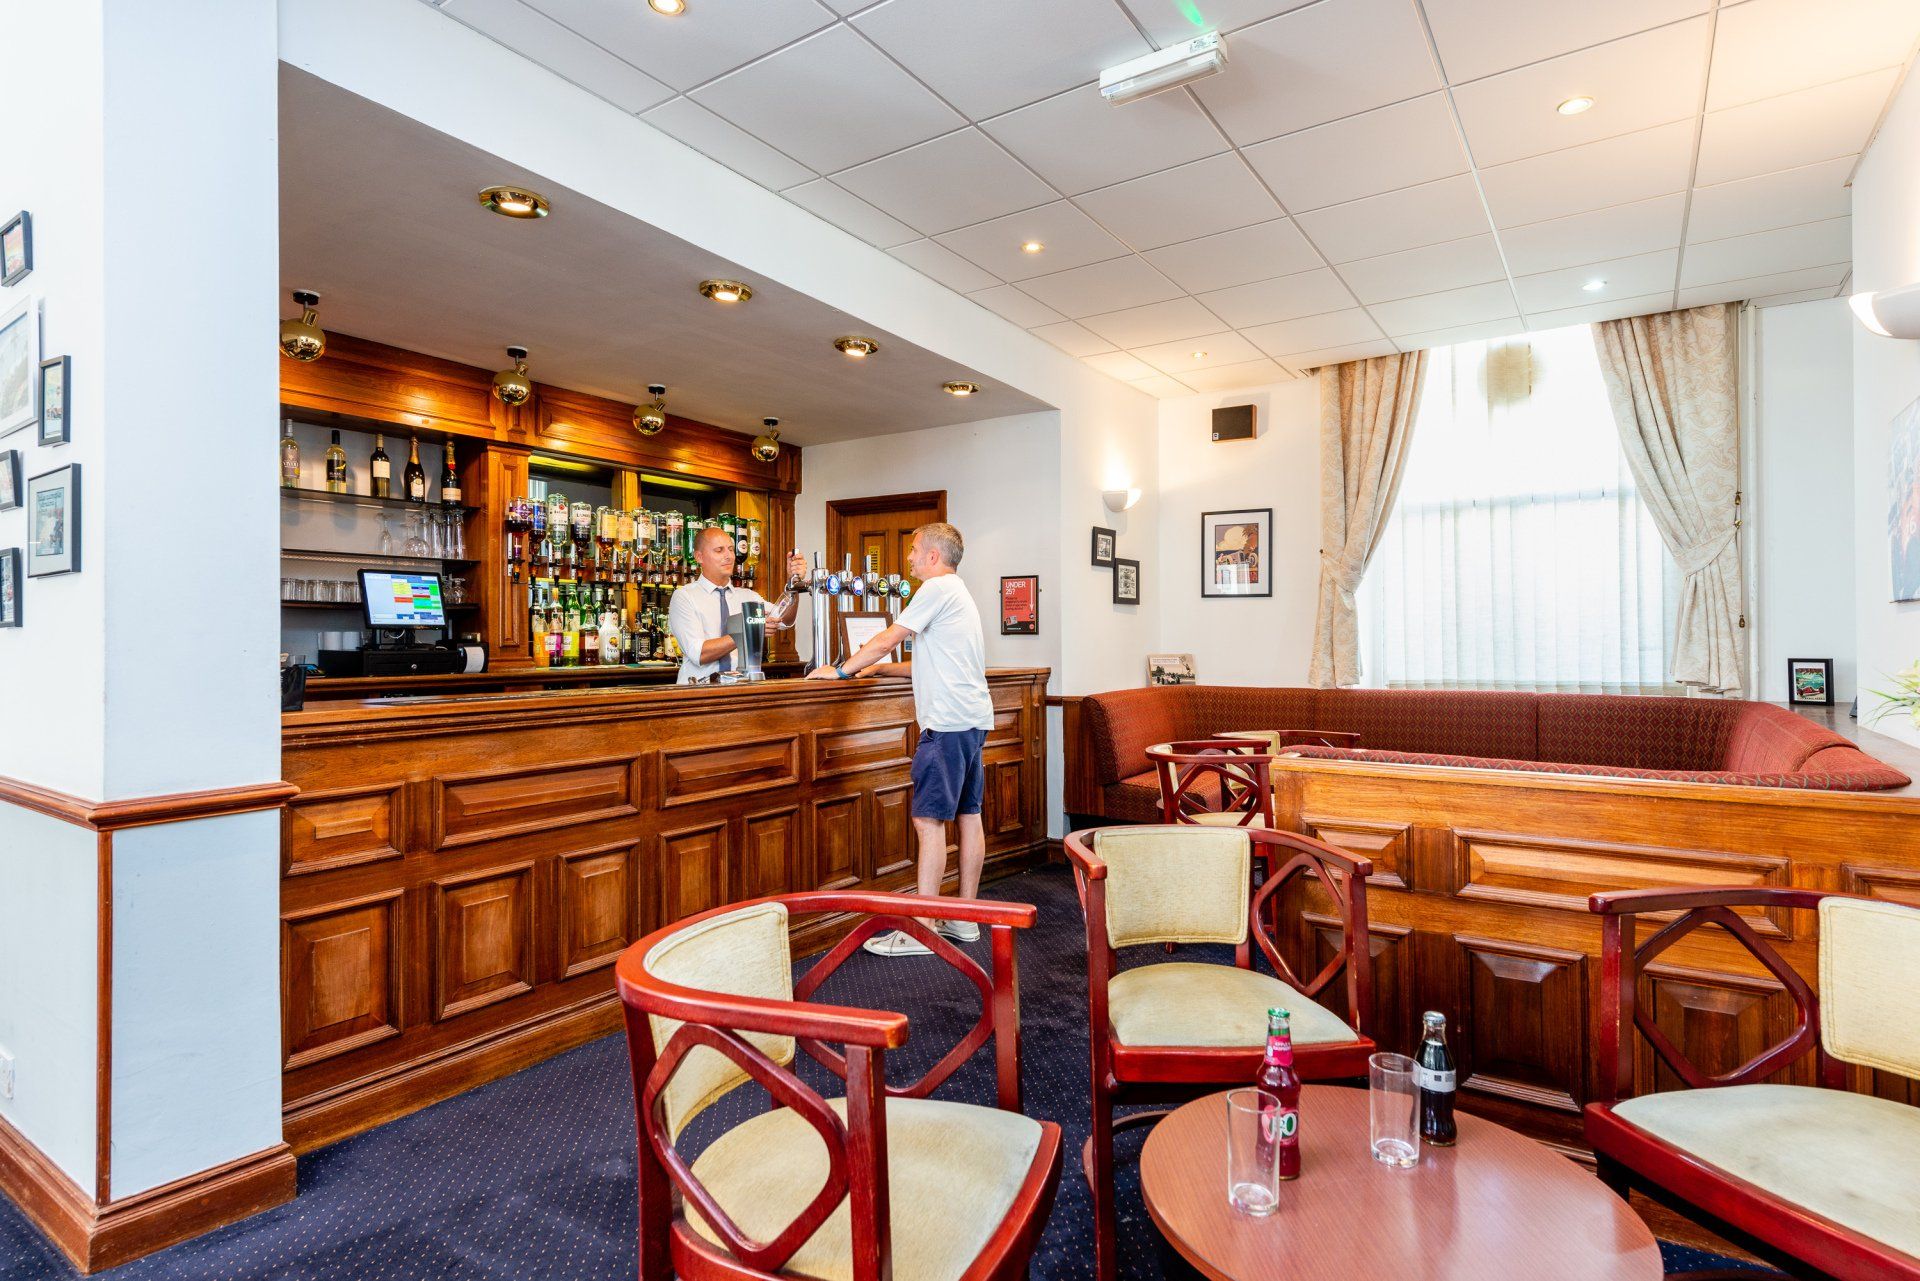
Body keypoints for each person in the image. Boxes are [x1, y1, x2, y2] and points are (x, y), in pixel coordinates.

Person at [806, 521, 993, 956]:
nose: (908, 558)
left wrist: (840, 671)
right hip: (970, 720)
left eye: (912, 550)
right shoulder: (959, 593)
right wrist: (880, 669)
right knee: (969, 815)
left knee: (928, 822)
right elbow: (930, 661)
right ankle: (965, 919)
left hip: (945, 724)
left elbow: (891, 636)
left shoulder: (934, 589)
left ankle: (923, 928)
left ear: (932, 556)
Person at [668, 526, 808, 684]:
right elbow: (700, 653)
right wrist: (751, 629)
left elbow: (784, 619)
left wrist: (793, 584)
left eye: (730, 549)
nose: (728, 556)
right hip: (698, 692)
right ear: (699, 557)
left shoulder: (747, 596)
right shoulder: (685, 597)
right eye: (719, 550)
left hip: (740, 690)